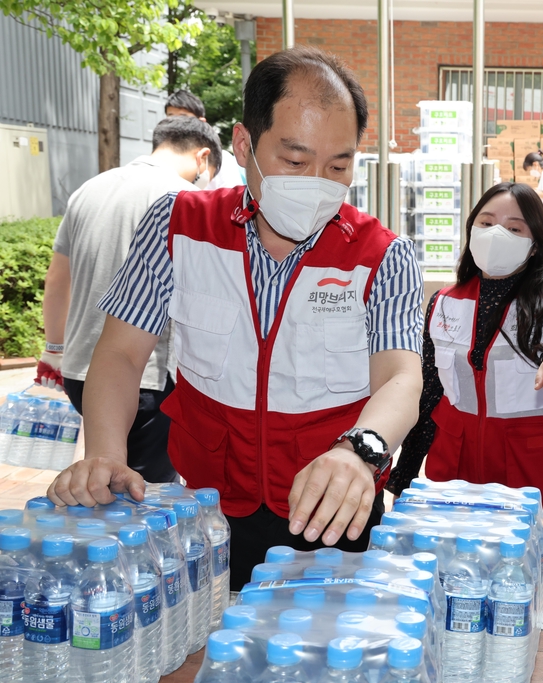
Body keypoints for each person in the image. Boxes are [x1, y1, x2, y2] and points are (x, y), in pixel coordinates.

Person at [46, 47, 425, 589]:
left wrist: (359, 452)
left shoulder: (382, 254)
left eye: (338, 165)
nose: (318, 182)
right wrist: (106, 453)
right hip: (206, 513)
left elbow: (401, 378)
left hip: (332, 510)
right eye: (295, 161)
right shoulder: (179, 225)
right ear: (244, 143)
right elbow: (121, 353)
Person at [388, 182, 543, 616]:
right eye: (486, 223)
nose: (496, 234)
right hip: (457, 485)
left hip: (534, 489)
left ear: (536, 243)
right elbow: (428, 397)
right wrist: (402, 479)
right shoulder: (445, 303)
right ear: (470, 231)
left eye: (514, 227)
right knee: (458, 603)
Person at [35, 116, 221, 481]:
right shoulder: (189, 202)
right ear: (202, 158)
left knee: (107, 477)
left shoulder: (88, 189)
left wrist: (53, 348)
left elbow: (57, 279)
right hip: (145, 374)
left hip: (80, 368)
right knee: (139, 499)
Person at [166, 88, 246, 190]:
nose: (175, 123)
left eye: (183, 117)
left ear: (201, 122)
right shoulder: (162, 161)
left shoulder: (221, 160)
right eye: (170, 116)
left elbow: (234, 202)